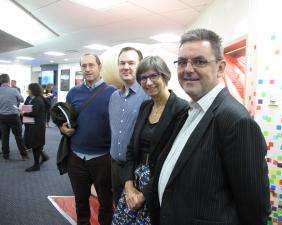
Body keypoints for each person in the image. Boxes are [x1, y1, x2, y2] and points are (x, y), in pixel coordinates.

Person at [150, 28, 271, 225]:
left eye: (199, 61)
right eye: (182, 62)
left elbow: (255, 207)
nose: (188, 69)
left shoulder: (235, 121)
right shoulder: (188, 111)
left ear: (221, 68)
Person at [112, 56, 189, 224]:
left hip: (158, 185)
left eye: (154, 76)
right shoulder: (145, 106)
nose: (148, 82)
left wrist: (144, 194)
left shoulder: (181, 109)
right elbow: (132, 148)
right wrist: (129, 185)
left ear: (166, 76)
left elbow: (173, 159)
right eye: (143, 78)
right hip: (134, 180)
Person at [59, 53, 116, 225]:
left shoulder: (113, 93)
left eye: (91, 65)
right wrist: (62, 128)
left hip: (103, 158)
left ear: (100, 67)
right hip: (76, 157)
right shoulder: (73, 93)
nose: (88, 69)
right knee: (80, 201)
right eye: (84, 66)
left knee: (106, 203)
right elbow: (66, 119)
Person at [109, 46, 149, 205]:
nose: (126, 67)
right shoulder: (113, 97)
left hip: (136, 168)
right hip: (114, 166)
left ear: (140, 66)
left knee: (135, 213)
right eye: (122, 63)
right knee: (118, 209)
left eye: (131, 63)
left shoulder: (148, 95)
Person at [0, 74, 28, 160]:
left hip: (2, 117)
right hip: (13, 116)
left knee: (4, 136)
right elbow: (22, 99)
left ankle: (6, 155)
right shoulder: (14, 90)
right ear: (9, 80)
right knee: (18, 136)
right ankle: (23, 155)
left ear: (0, 81)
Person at [22, 83, 49, 172]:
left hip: (36, 126)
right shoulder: (32, 98)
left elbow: (34, 113)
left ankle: (36, 165)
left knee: (35, 144)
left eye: (29, 89)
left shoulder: (37, 100)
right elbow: (28, 108)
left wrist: (22, 113)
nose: (27, 91)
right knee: (36, 143)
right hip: (33, 124)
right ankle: (44, 157)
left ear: (33, 90)